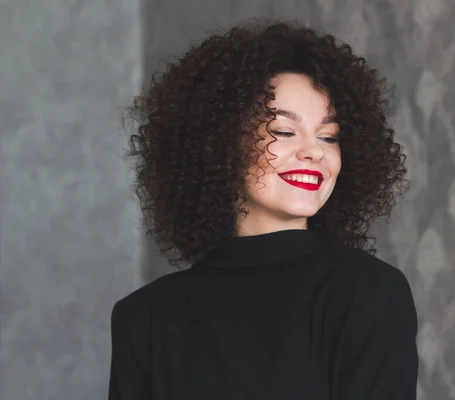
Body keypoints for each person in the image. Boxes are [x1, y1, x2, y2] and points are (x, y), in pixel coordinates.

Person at [109, 19, 418, 400]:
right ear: (218, 142)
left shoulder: (367, 293)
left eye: (329, 136)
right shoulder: (144, 317)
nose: (313, 151)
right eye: (284, 132)